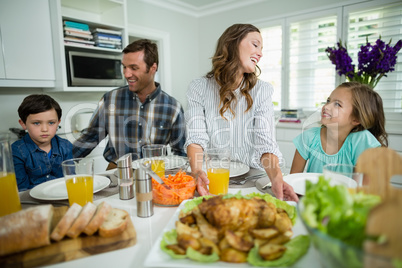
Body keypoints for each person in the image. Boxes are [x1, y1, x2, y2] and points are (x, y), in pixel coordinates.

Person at [185, 23, 298, 202]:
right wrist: (197, 172)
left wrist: (277, 178)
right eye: (255, 44)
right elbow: (196, 139)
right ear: (232, 43)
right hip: (212, 179)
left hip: (254, 180)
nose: (260, 53)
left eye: (262, 48)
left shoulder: (262, 90)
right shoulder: (199, 88)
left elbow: (265, 144)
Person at [73, 39, 186, 169]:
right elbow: (90, 138)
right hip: (117, 172)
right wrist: (55, 163)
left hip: (156, 174)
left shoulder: (173, 107)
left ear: (153, 68)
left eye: (134, 68)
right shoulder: (110, 99)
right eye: (124, 67)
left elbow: (180, 154)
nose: (126, 74)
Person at [291, 81, 388, 173]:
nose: (326, 107)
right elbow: (293, 180)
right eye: (328, 101)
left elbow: (361, 187)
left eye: (337, 104)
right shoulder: (309, 137)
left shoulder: (361, 141)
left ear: (356, 119)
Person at [12, 94, 73, 191]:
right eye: (36, 123)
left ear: (58, 122)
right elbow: (21, 189)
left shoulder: (66, 146)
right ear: (23, 124)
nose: (45, 129)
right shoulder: (16, 151)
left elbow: (71, 179)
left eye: (51, 123)